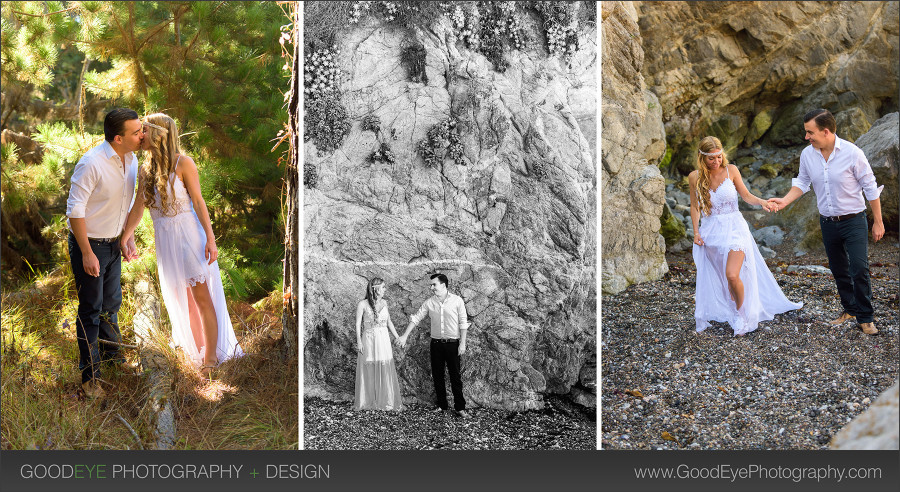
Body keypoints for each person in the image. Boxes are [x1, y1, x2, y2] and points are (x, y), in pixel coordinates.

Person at [120, 113, 243, 379]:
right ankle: (197, 351)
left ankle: (211, 357)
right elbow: (138, 208)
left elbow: (199, 202)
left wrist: (211, 239)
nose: (140, 135)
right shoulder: (146, 169)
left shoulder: (184, 163)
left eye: (144, 130)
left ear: (157, 134)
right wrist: (125, 236)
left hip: (188, 237)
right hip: (166, 240)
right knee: (182, 298)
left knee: (201, 296)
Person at [768, 109, 884, 335]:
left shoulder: (853, 153)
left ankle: (866, 317)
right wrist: (783, 201)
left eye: (810, 132)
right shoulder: (807, 155)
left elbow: (871, 187)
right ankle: (849, 309)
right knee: (839, 269)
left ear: (826, 131)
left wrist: (877, 221)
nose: (806, 137)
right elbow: (802, 182)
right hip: (828, 222)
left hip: (854, 221)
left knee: (859, 268)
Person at [689, 136, 802, 335]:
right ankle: (732, 306)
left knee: (732, 275)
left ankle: (741, 315)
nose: (716, 162)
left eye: (718, 157)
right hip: (711, 232)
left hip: (735, 227)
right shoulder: (695, 177)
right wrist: (696, 232)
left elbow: (746, 195)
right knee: (723, 280)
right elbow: (694, 206)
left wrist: (763, 202)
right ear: (702, 158)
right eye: (711, 159)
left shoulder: (731, 170)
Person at [66, 108, 143, 398]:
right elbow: (74, 210)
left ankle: (114, 361)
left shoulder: (132, 158)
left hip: (114, 243)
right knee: (91, 310)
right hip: (91, 245)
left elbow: (127, 202)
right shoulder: (91, 163)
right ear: (118, 137)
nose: (142, 135)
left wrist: (127, 236)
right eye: (136, 132)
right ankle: (90, 379)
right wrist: (86, 252)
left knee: (111, 304)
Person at [398, 273, 470, 417]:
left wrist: (462, 343)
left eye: (434, 284)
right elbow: (416, 318)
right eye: (431, 285)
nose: (431, 288)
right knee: (437, 376)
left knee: (455, 376)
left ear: (443, 285)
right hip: (436, 344)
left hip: (452, 344)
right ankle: (442, 406)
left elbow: (463, 322)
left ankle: (460, 408)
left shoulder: (457, 301)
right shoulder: (429, 302)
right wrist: (405, 335)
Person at [354, 277, 403, 411]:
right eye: (383, 287)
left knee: (384, 366)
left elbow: (389, 322)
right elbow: (358, 323)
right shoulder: (362, 304)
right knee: (370, 366)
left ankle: (385, 400)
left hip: (383, 339)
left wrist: (397, 337)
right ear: (376, 289)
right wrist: (358, 341)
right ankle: (369, 401)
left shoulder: (385, 303)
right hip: (369, 339)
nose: (385, 289)